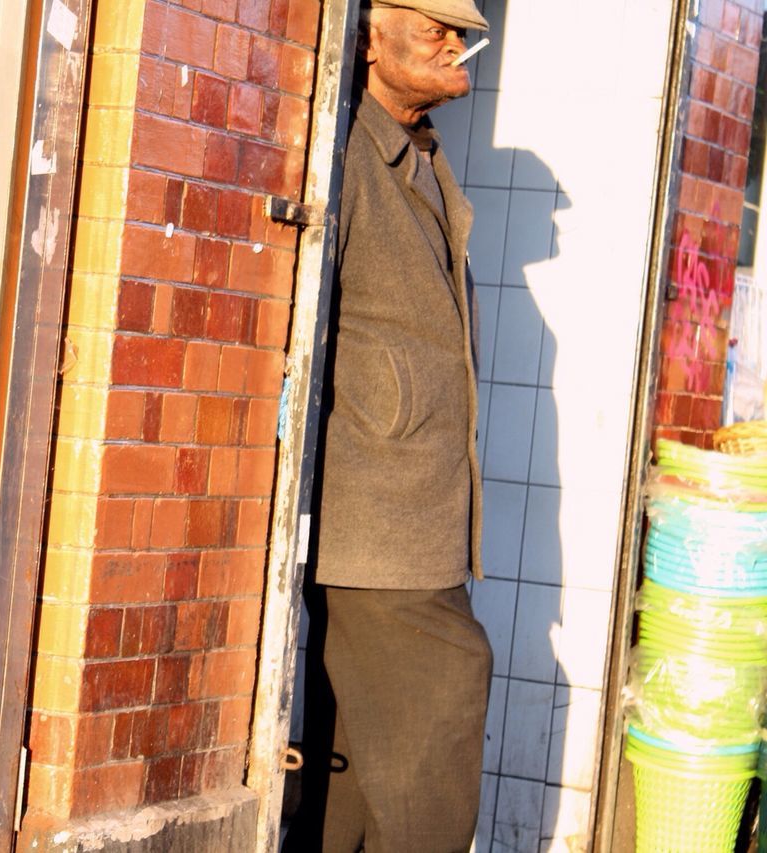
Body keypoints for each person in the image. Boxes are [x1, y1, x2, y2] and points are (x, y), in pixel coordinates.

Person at [289, 1, 494, 851]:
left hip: (415, 521)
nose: (459, 42)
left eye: (466, 29)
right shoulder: (345, 154)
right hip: (377, 526)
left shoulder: (419, 156)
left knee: (360, 776)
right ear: (370, 36)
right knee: (452, 685)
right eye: (437, 24)